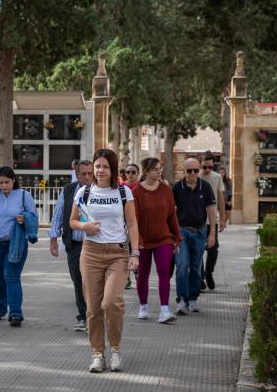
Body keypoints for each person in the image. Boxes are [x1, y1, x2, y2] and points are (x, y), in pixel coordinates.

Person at [69, 149, 140, 373]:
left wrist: (135, 253)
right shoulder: (84, 192)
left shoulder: (123, 192)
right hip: (90, 253)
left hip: (118, 253)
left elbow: (132, 224)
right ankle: (98, 353)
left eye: (104, 167)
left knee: (111, 302)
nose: (100, 171)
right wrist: (84, 226)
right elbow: (72, 221)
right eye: (97, 166)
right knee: (93, 308)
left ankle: (116, 348)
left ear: (112, 169)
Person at [0, 166, 38, 327]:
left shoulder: (24, 196)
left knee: (11, 276)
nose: (4, 185)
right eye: (1, 182)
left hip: (16, 243)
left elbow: (34, 216)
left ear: (14, 181)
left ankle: (16, 313)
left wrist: (24, 218)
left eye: (7, 182)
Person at [132, 158, 181, 324]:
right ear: (146, 172)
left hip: (163, 238)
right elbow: (134, 219)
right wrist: (136, 240)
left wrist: (177, 236)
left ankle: (165, 310)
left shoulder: (166, 190)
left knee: (164, 272)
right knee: (143, 274)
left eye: (160, 168)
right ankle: (143, 306)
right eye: (155, 169)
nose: (159, 172)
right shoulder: (137, 191)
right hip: (143, 240)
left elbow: (171, 215)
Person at [49, 160, 94, 332]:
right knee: (78, 280)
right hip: (74, 244)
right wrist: (53, 239)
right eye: (84, 173)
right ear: (77, 174)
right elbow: (58, 214)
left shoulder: (101, 191)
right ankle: (82, 316)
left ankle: (94, 315)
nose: (88, 177)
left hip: (96, 244)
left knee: (94, 281)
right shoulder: (68, 191)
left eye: (90, 173)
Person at [172, 158, 217, 314]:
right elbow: (171, 212)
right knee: (182, 265)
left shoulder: (205, 186)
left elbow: (211, 210)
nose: (192, 174)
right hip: (181, 232)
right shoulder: (177, 187)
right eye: (189, 170)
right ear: (183, 171)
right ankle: (181, 300)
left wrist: (212, 234)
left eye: (195, 171)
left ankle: (193, 299)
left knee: (196, 268)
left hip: (200, 232)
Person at [199, 152, 227, 290]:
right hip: (196, 220)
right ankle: (200, 278)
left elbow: (221, 199)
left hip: (212, 220)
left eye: (210, 167)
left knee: (213, 248)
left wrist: (222, 219)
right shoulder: (195, 175)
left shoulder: (217, 177)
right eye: (205, 167)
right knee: (198, 249)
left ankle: (208, 272)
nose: (207, 170)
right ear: (200, 164)